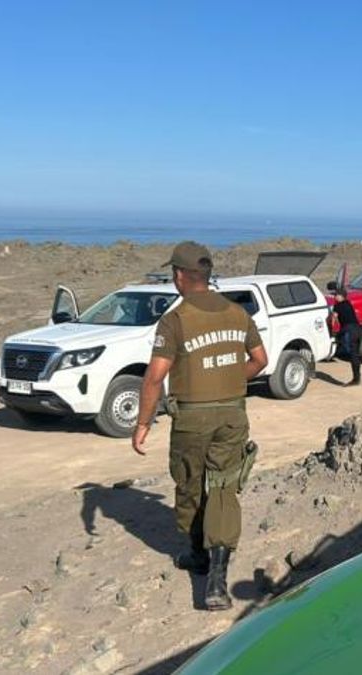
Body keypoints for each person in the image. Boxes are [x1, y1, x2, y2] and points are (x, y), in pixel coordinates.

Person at [131, 241, 269, 612]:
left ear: (179, 276)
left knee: (190, 484)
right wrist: (228, 380)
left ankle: (198, 556)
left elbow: (154, 377)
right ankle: (217, 585)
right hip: (232, 415)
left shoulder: (175, 320)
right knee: (224, 487)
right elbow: (260, 359)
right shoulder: (237, 313)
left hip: (192, 418)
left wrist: (143, 423)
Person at [331, 287, 362, 386]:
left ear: (341, 296)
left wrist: (332, 329)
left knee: (352, 354)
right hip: (358, 329)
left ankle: (355, 380)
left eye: (336, 295)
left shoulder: (337, 306)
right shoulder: (348, 303)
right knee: (355, 354)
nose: (335, 297)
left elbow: (334, 318)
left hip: (349, 330)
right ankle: (357, 377)